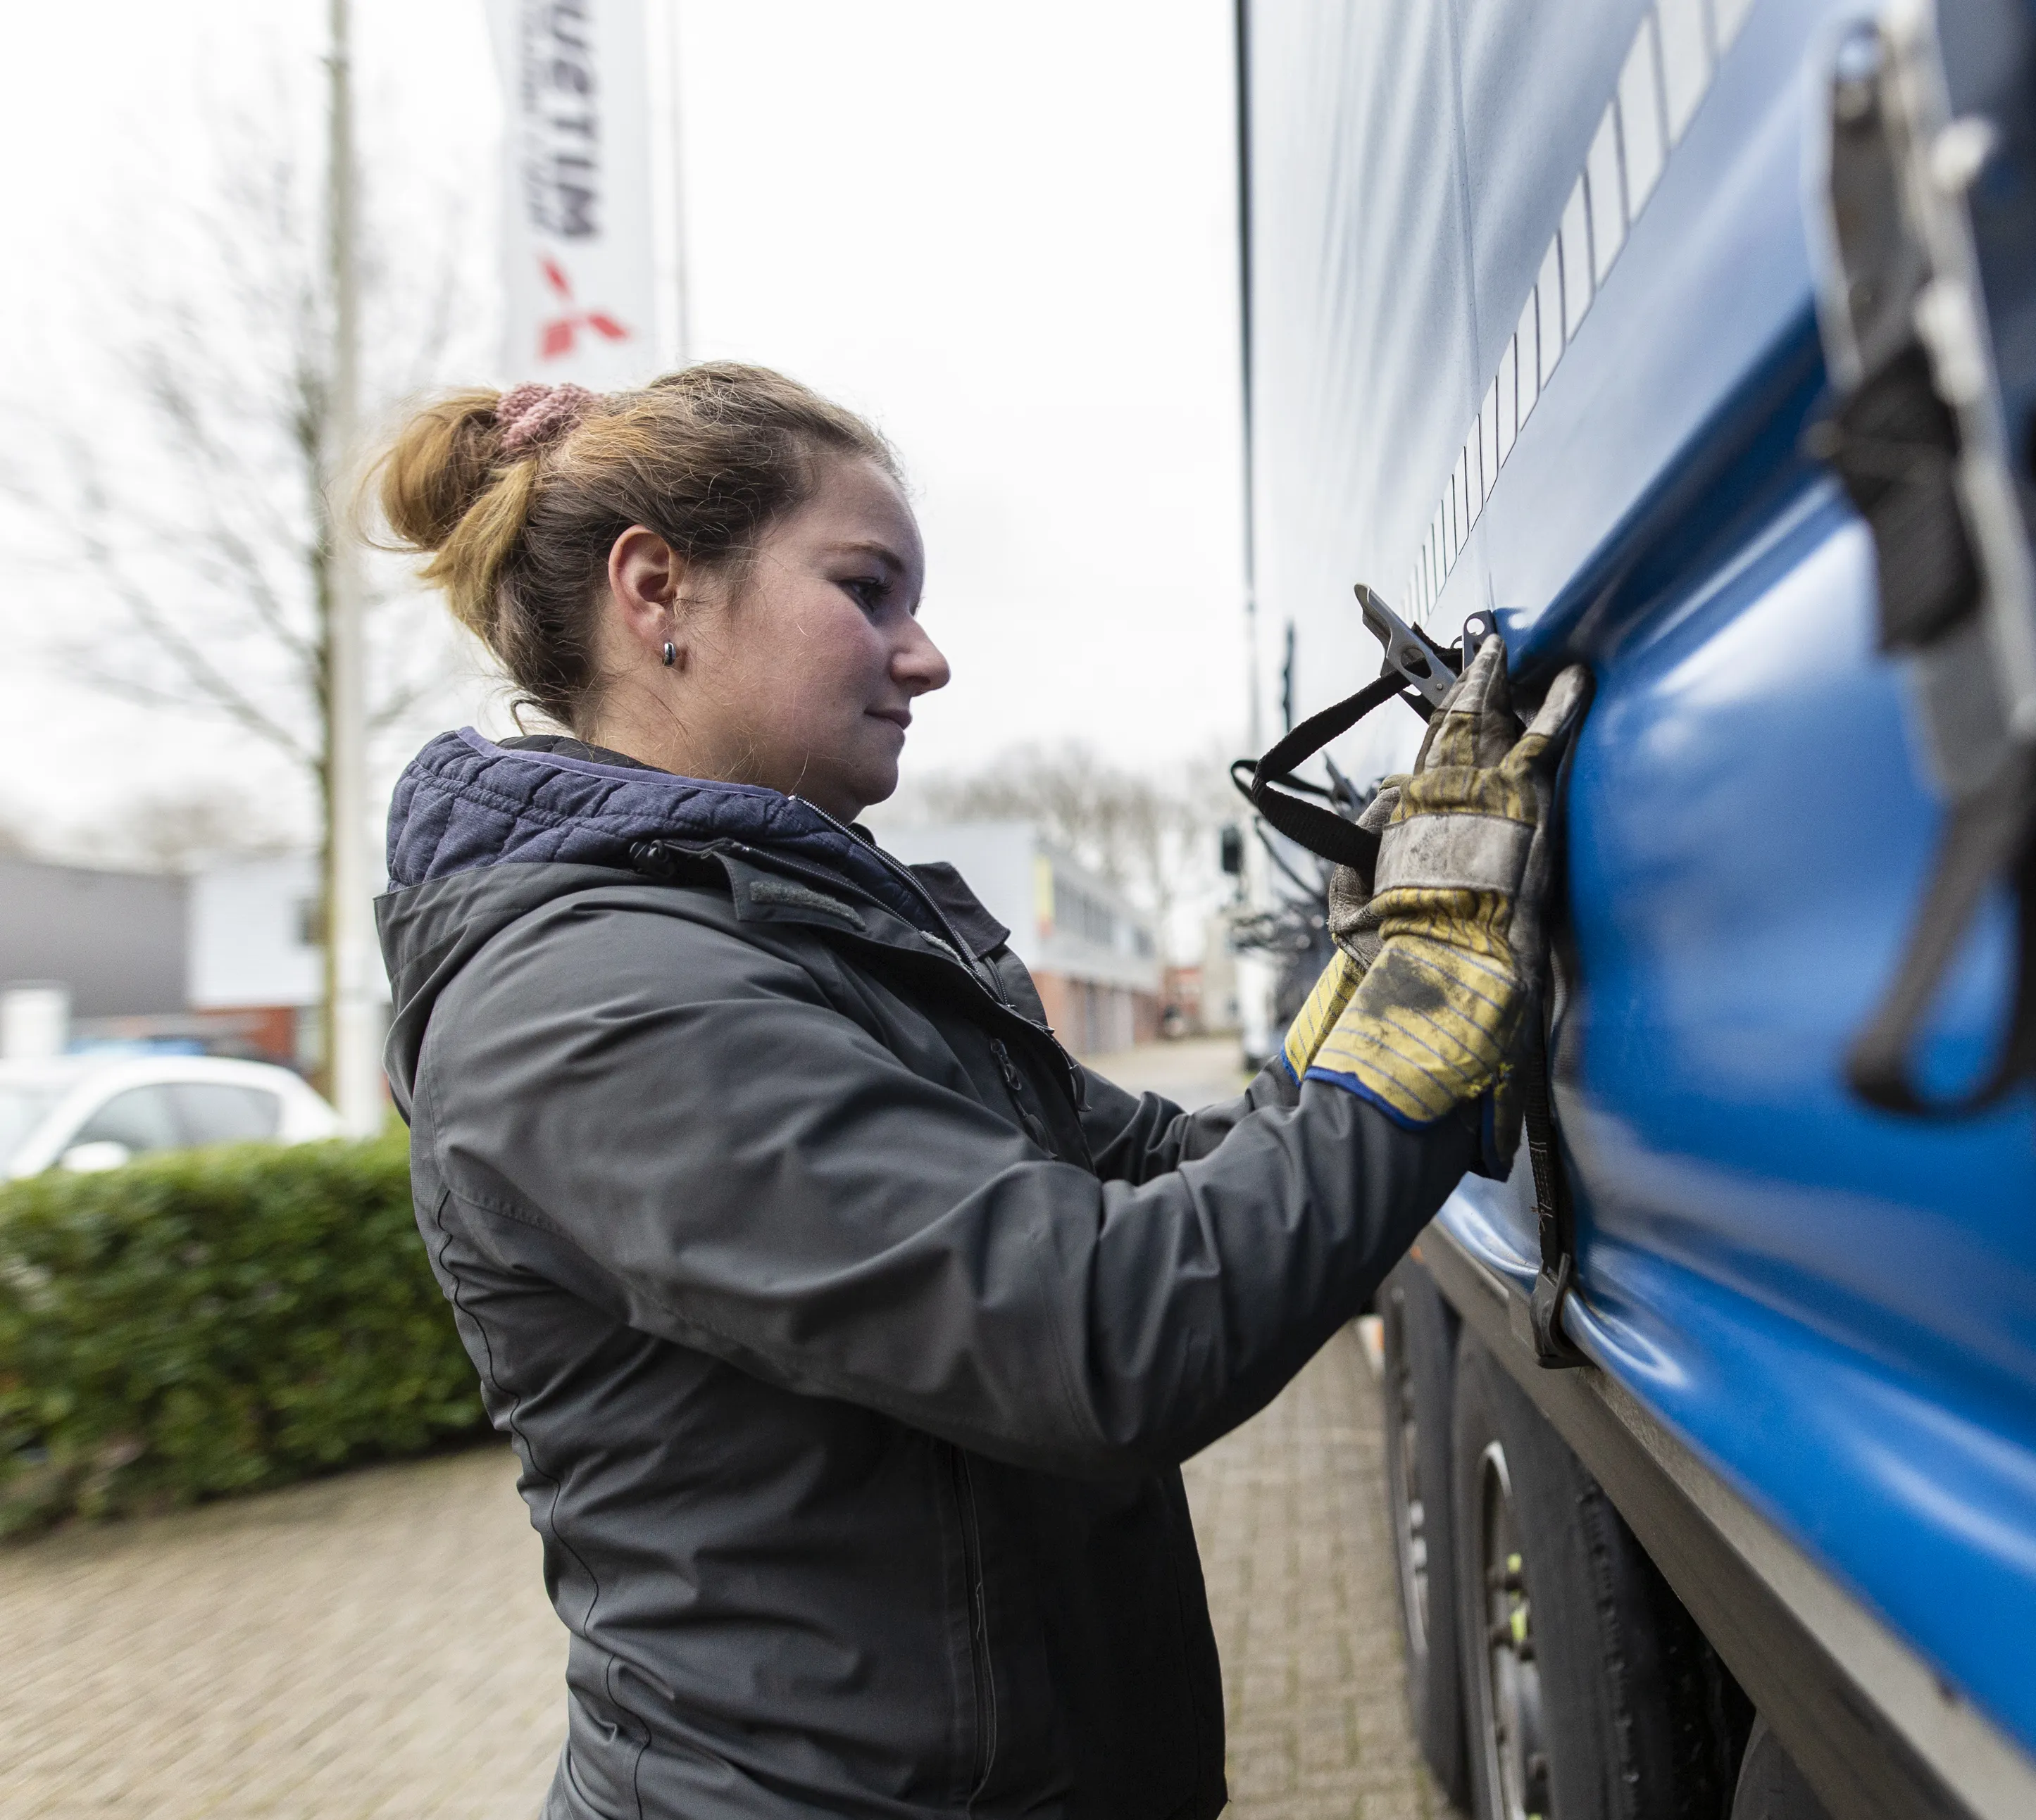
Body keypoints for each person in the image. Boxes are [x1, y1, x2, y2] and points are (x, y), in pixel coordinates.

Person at [368, 364, 1582, 1820]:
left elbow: (1169, 1175)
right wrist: (1431, 988)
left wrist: (1372, 985)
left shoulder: (788, 934)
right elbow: (1105, 1334)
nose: (925, 655)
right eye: (866, 589)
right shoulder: (589, 1005)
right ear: (656, 592)